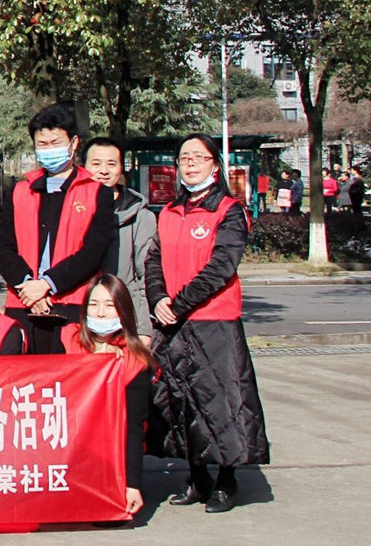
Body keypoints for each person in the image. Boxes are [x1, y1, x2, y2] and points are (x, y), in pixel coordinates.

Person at [147, 134, 270, 513]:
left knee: (222, 402)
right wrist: (158, 298)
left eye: (199, 157)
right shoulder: (169, 212)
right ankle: (196, 476)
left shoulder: (229, 210)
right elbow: (153, 260)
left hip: (213, 321)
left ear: (215, 165)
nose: (191, 163)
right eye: (184, 157)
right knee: (180, 402)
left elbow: (221, 267)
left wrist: (179, 303)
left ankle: (226, 480)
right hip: (173, 324)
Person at [0, 104, 116, 355]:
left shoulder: (97, 192)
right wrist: (29, 287)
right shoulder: (19, 190)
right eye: (42, 144)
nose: (49, 149)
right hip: (24, 302)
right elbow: (4, 248)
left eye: (56, 143)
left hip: (71, 302)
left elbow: (92, 252)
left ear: (73, 143)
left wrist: (47, 284)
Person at [64, 273, 153, 520]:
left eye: (109, 306)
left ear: (123, 311)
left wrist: (132, 485)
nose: (101, 313)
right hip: (69, 447)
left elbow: (133, 429)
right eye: (93, 305)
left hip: (110, 452)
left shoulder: (136, 361)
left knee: (106, 516)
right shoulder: (67, 341)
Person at [84, 137, 156, 314]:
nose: (104, 171)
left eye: (111, 164)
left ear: (121, 168)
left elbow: (145, 276)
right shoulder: (71, 210)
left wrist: (142, 325)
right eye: (96, 164)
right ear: (83, 167)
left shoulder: (140, 216)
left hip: (122, 312)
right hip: (78, 311)